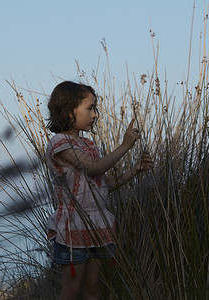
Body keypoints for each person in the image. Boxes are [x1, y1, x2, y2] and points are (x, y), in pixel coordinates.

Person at [45, 81, 153, 300]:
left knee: (92, 288)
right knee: (72, 291)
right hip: (73, 226)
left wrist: (135, 170)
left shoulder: (89, 145)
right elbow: (95, 167)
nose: (95, 114)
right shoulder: (60, 144)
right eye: (90, 108)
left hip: (97, 224)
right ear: (69, 111)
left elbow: (102, 184)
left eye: (95, 108)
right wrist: (125, 145)